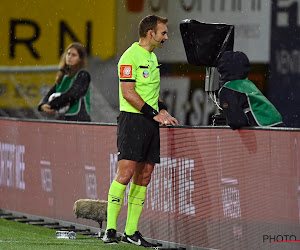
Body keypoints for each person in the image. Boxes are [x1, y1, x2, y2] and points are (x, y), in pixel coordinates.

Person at [103, 15, 179, 247]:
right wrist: (153, 113)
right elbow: (128, 92)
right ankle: (110, 230)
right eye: (163, 33)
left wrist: (163, 110)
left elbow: (152, 93)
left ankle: (131, 232)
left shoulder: (153, 57)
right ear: (150, 34)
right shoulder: (129, 56)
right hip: (133, 120)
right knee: (125, 174)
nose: (166, 37)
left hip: (149, 121)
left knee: (144, 176)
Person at [217, 51, 284, 129]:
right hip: (278, 126)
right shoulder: (248, 84)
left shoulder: (227, 89)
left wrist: (226, 121)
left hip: (264, 129)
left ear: (222, 69)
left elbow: (238, 122)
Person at [38, 42, 91, 122]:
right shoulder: (63, 76)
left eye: (74, 55)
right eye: (68, 54)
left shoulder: (83, 75)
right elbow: (50, 93)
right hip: (62, 120)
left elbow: (72, 94)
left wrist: (51, 105)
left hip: (79, 120)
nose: (69, 57)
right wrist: (42, 105)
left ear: (80, 59)